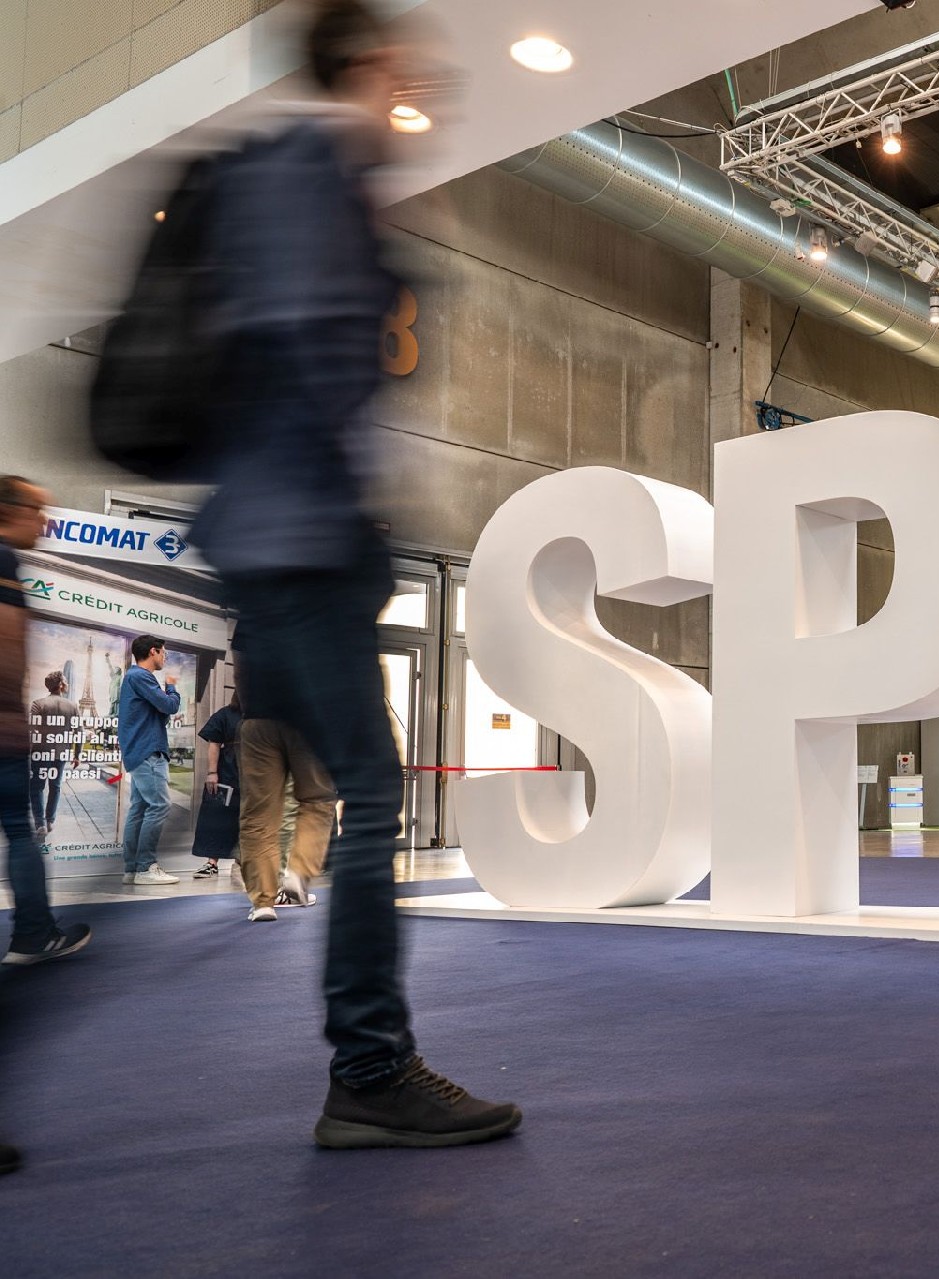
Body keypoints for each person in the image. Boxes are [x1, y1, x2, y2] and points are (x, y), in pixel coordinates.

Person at [190, 0, 518, 1147]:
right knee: (373, 787)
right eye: (404, 67)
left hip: (275, 543)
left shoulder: (290, 177)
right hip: (300, 545)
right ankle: (370, 1066)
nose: (416, 88)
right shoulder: (313, 178)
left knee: (347, 783)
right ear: (367, 64)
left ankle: (369, 1062)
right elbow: (310, 374)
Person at [0, 478, 92, 966]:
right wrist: (8, 712)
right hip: (6, 734)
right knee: (21, 828)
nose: (45, 523)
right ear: (8, 510)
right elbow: (7, 642)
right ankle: (34, 934)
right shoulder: (3, 559)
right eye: (38, 511)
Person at [237, 716, 337, 922]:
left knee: (258, 815)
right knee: (317, 800)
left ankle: (263, 902)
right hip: (310, 718)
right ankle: (299, 873)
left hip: (259, 719)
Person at [118, 634, 182, 884]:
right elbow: (170, 706)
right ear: (153, 651)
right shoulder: (141, 676)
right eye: (164, 652)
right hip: (148, 751)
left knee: (140, 808)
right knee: (160, 806)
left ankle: (132, 869)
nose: (165, 657)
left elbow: (159, 713)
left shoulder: (133, 677)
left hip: (140, 751)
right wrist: (171, 686)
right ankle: (146, 867)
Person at [191, 691, 244, 879]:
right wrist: (212, 772)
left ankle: (241, 862)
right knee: (217, 817)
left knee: (247, 819)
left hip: (254, 775)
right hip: (227, 773)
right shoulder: (225, 714)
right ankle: (212, 863)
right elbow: (214, 743)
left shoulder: (261, 715)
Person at [27, 671, 80, 841]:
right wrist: (77, 755)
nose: (67, 684)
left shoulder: (38, 704)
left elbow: (30, 730)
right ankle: (50, 820)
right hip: (61, 753)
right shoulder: (72, 706)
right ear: (61, 685)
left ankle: (40, 824)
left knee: (37, 787)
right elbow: (78, 732)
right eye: (66, 681)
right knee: (55, 786)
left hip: (40, 752)